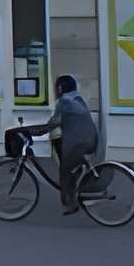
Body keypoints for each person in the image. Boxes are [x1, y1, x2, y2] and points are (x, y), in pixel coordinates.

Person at [49, 73, 100, 212]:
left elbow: (55, 121)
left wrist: (38, 131)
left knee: (65, 169)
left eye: (57, 87)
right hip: (91, 140)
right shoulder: (79, 98)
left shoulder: (64, 101)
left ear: (60, 88)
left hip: (78, 143)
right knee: (74, 167)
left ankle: (70, 202)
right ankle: (78, 184)